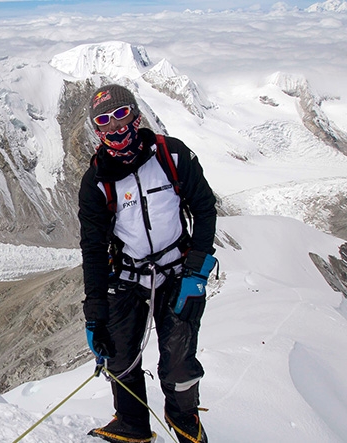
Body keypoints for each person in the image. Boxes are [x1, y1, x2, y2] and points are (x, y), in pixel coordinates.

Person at [78, 84, 217, 443]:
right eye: (104, 121)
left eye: (121, 115)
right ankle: (132, 423)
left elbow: (203, 208)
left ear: (136, 116)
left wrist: (197, 269)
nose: (115, 128)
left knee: (179, 362)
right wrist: (95, 310)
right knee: (120, 358)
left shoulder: (172, 155)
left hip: (177, 272)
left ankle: (183, 417)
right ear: (96, 130)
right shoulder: (95, 181)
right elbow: (92, 247)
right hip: (125, 278)